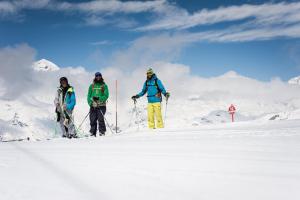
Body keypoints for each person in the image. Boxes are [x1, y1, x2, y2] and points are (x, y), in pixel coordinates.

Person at [87, 72, 109, 136]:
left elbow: (106, 95)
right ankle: (92, 133)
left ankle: (102, 132)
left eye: (99, 76)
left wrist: (99, 98)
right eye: (97, 76)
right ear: (95, 77)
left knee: (100, 119)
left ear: (101, 76)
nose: (98, 77)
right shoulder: (92, 86)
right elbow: (88, 96)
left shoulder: (104, 86)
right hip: (93, 105)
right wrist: (90, 103)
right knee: (92, 119)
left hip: (101, 105)